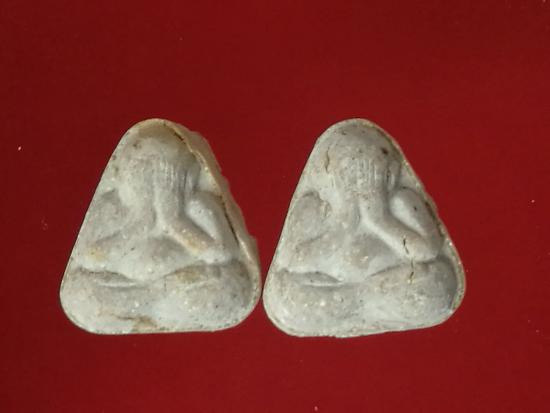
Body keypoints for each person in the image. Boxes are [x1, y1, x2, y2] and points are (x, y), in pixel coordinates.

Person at [269, 128, 457, 335]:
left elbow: (429, 251)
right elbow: (290, 261)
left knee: (439, 281)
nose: (359, 184)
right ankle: (359, 302)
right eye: (347, 175)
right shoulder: (313, 207)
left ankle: (358, 302)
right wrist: (344, 227)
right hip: (331, 289)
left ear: (390, 176)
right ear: (326, 177)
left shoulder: (402, 201)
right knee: (285, 294)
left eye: (371, 174)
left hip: (389, 285)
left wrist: (381, 220)